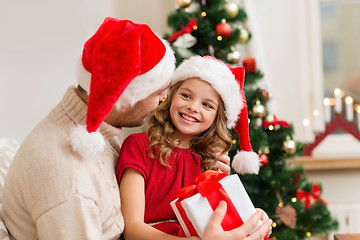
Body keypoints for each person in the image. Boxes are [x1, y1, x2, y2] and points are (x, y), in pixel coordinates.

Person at [117, 55, 272, 240]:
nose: (192, 107)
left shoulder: (212, 160)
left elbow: (219, 222)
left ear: (218, 118)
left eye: (207, 105)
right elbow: (132, 230)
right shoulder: (139, 146)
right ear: (171, 96)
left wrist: (254, 217)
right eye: (186, 96)